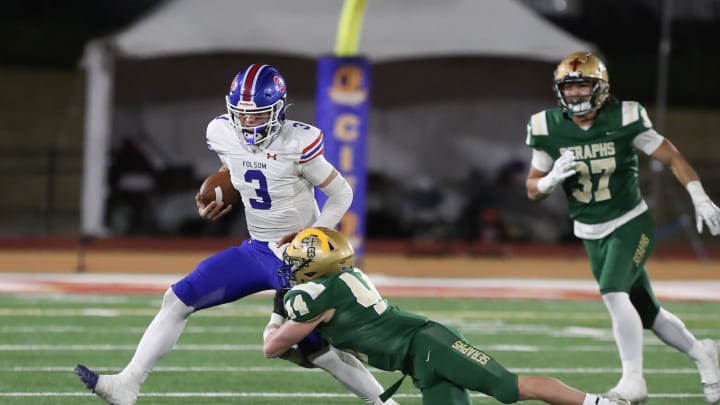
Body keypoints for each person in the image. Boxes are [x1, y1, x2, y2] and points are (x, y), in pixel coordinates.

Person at [75, 64, 398, 405]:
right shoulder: (221, 132)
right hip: (257, 250)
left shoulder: (298, 142)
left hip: (298, 260)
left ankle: (384, 403)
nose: (248, 123)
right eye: (242, 115)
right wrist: (215, 195)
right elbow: (233, 168)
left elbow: (341, 193)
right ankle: (127, 384)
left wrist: (311, 238)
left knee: (315, 344)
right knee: (177, 299)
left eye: (257, 116)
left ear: (278, 110)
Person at [524, 51, 720, 404]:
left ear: (600, 88)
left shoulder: (625, 117)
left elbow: (671, 156)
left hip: (631, 221)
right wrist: (552, 179)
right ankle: (702, 352)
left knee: (615, 293)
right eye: (569, 87)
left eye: (583, 85)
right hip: (589, 230)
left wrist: (699, 195)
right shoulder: (546, 127)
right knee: (648, 313)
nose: (576, 94)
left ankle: (633, 382)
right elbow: (532, 187)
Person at [263, 227, 631, 405]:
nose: (292, 267)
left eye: (298, 261)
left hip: (429, 346)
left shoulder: (319, 294)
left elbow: (273, 347)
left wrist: (277, 310)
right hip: (417, 361)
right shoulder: (341, 278)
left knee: (509, 387)